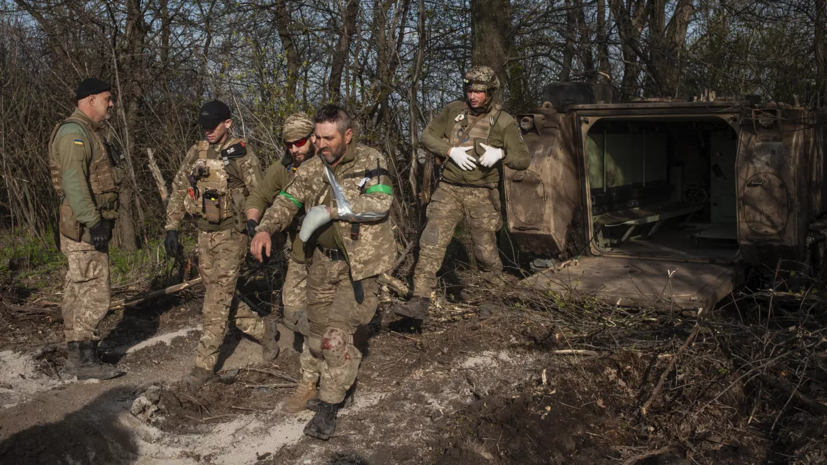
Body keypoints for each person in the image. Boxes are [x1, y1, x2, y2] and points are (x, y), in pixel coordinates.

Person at [250, 104, 395, 440]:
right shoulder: (313, 168)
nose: (320, 143)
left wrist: (332, 211)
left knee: (334, 339)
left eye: (328, 138)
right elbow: (286, 200)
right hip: (322, 263)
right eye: (317, 137)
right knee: (315, 338)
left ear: (348, 135)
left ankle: (329, 407)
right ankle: (318, 383)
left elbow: (379, 204)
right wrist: (264, 229)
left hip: (358, 266)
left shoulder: (370, 161)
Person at [395, 66, 531, 323]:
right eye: (470, 90)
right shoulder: (453, 111)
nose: (473, 96)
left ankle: (493, 299)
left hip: (482, 193)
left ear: (490, 93)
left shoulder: (504, 121)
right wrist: (450, 151)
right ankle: (419, 301)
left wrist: (501, 154)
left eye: (479, 92)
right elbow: (427, 136)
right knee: (431, 243)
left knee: (486, 253)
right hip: (449, 189)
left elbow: (524, 159)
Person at [163, 100, 279, 385]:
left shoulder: (243, 155)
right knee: (219, 292)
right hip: (204, 233)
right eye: (203, 127)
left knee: (215, 301)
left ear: (227, 123)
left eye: (212, 126)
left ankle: (204, 366)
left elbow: (259, 194)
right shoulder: (197, 151)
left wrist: (259, 229)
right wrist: (171, 226)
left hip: (232, 235)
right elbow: (180, 186)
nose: (207, 131)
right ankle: (264, 331)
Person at [49, 78, 124, 380]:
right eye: (108, 98)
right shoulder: (74, 134)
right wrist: (93, 222)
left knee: (78, 291)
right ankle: (83, 359)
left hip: (84, 225)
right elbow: (75, 185)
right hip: (83, 228)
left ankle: (78, 356)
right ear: (91, 99)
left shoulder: (86, 132)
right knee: (93, 292)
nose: (112, 104)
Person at [245, 112, 315, 398]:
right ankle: (310, 343)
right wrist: (254, 223)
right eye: (288, 144)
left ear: (313, 138)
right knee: (293, 302)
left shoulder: (328, 163)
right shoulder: (284, 167)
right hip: (300, 240)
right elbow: (259, 196)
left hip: (333, 242)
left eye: (299, 142)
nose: (294, 149)